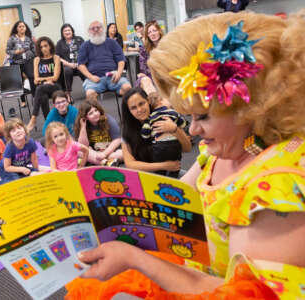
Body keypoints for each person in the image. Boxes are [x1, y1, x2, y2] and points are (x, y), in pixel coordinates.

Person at [66, 11, 305, 300]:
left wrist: (135, 258)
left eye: (202, 116)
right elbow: (169, 197)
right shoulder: (223, 150)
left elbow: (236, 294)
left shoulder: (275, 189)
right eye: (188, 116)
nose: (192, 128)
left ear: (248, 106)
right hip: (191, 271)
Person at [121, 87, 189, 176]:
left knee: (194, 184)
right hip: (145, 175)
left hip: (171, 170)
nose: (139, 109)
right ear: (129, 111)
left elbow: (187, 148)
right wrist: (163, 166)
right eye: (133, 108)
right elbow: (130, 164)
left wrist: (175, 130)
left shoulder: (164, 116)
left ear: (148, 101)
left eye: (141, 103)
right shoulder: (128, 131)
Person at [140, 90, 191, 177]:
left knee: (159, 169)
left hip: (160, 146)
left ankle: (160, 177)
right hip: (174, 145)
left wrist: (148, 136)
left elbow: (145, 133)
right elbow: (183, 123)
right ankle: (173, 177)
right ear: (161, 100)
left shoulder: (151, 117)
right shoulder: (173, 112)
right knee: (176, 164)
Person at [77, 21, 131, 100]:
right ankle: (98, 112)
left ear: (103, 29)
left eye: (98, 27)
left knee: (127, 88)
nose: (96, 30)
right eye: (92, 28)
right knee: (90, 94)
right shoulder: (85, 46)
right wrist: (91, 77)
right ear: (89, 32)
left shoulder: (112, 43)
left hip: (113, 77)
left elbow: (121, 60)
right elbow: (80, 65)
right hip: (94, 79)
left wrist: (119, 73)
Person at [0, 118, 45, 187]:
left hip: (21, 167)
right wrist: (21, 169)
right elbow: (7, 167)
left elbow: (34, 159)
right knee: (17, 182)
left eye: (19, 128)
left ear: (24, 129)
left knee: (38, 176)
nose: (18, 131)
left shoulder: (30, 142)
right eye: (13, 131)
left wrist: (36, 171)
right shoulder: (10, 147)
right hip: (7, 169)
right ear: (10, 136)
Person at [26, 36, 62, 133]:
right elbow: (35, 79)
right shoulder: (37, 60)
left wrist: (42, 80)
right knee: (43, 96)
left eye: (45, 46)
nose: (44, 49)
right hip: (43, 87)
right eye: (41, 47)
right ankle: (49, 123)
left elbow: (55, 78)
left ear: (50, 46)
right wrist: (45, 81)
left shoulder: (56, 58)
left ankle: (33, 118)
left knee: (39, 89)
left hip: (55, 87)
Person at [74, 99, 123, 166]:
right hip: (95, 151)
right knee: (80, 151)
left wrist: (104, 154)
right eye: (91, 113)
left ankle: (94, 160)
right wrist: (83, 127)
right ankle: (106, 162)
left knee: (121, 154)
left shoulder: (108, 120)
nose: (95, 114)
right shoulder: (83, 125)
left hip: (111, 150)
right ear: (86, 117)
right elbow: (83, 145)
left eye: (96, 110)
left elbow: (117, 140)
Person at [6, 21, 36, 107]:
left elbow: (34, 50)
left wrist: (32, 54)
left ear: (26, 28)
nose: (22, 28)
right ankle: (23, 101)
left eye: (23, 26)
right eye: (20, 26)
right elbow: (7, 50)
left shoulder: (29, 38)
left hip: (28, 62)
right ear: (16, 28)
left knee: (32, 77)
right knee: (19, 82)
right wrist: (16, 51)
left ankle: (35, 97)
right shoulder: (12, 38)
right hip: (16, 62)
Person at [55, 24, 85, 103]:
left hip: (80, 64)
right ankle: (67, 94)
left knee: (83, 69)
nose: (67, 32)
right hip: (67, 65)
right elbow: (57, 57)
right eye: (65, 31)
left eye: (69, 30)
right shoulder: (60, 43)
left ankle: (91, 89)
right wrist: (69, 64)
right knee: (67, 71)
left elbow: (86, 51)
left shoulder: (79, 39)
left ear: (72, 31)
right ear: (62, 33)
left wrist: (80, 63)